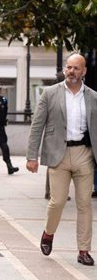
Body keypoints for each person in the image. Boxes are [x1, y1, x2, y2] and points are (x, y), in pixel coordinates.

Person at [26, 53, 96, 266]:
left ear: (84, 71)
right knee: (57, 201)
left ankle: (83, 250)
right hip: (59, 154)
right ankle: (49, 233)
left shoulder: (93, 96)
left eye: (76, 68)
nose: (71, 71)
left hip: (84, 153)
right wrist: (32, 156)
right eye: (69, 67)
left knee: (84, 203)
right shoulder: (50, 93)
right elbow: (37, 125)